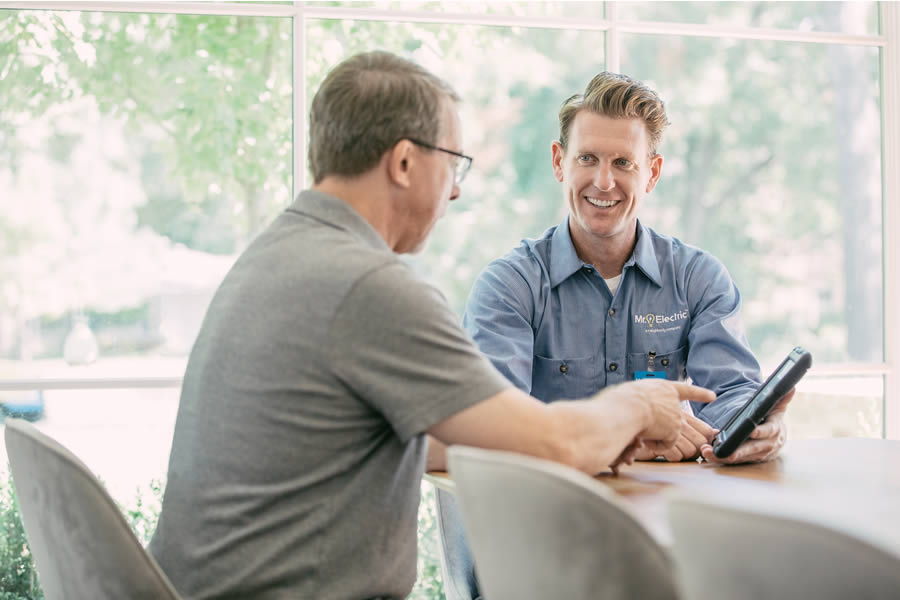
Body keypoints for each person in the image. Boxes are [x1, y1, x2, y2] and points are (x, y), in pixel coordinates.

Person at [148, 52, 714, 600]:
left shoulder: (277, 254)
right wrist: (642, 407)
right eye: (453, 162)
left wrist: (582, 441)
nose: (456, 189)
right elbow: (552, 443)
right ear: (403, 164)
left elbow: (434, 442)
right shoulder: (370, 288)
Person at [464, 71, 791, 467]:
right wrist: (628, 428)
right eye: (587, 158)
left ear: (651, 173)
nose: (604, 182)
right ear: (558, 162)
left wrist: (756, 423)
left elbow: (730, 393)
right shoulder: (509, 287)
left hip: (665, 513)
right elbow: (491, 425)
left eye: (623, 163)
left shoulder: (698, 280)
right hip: (548, 514)